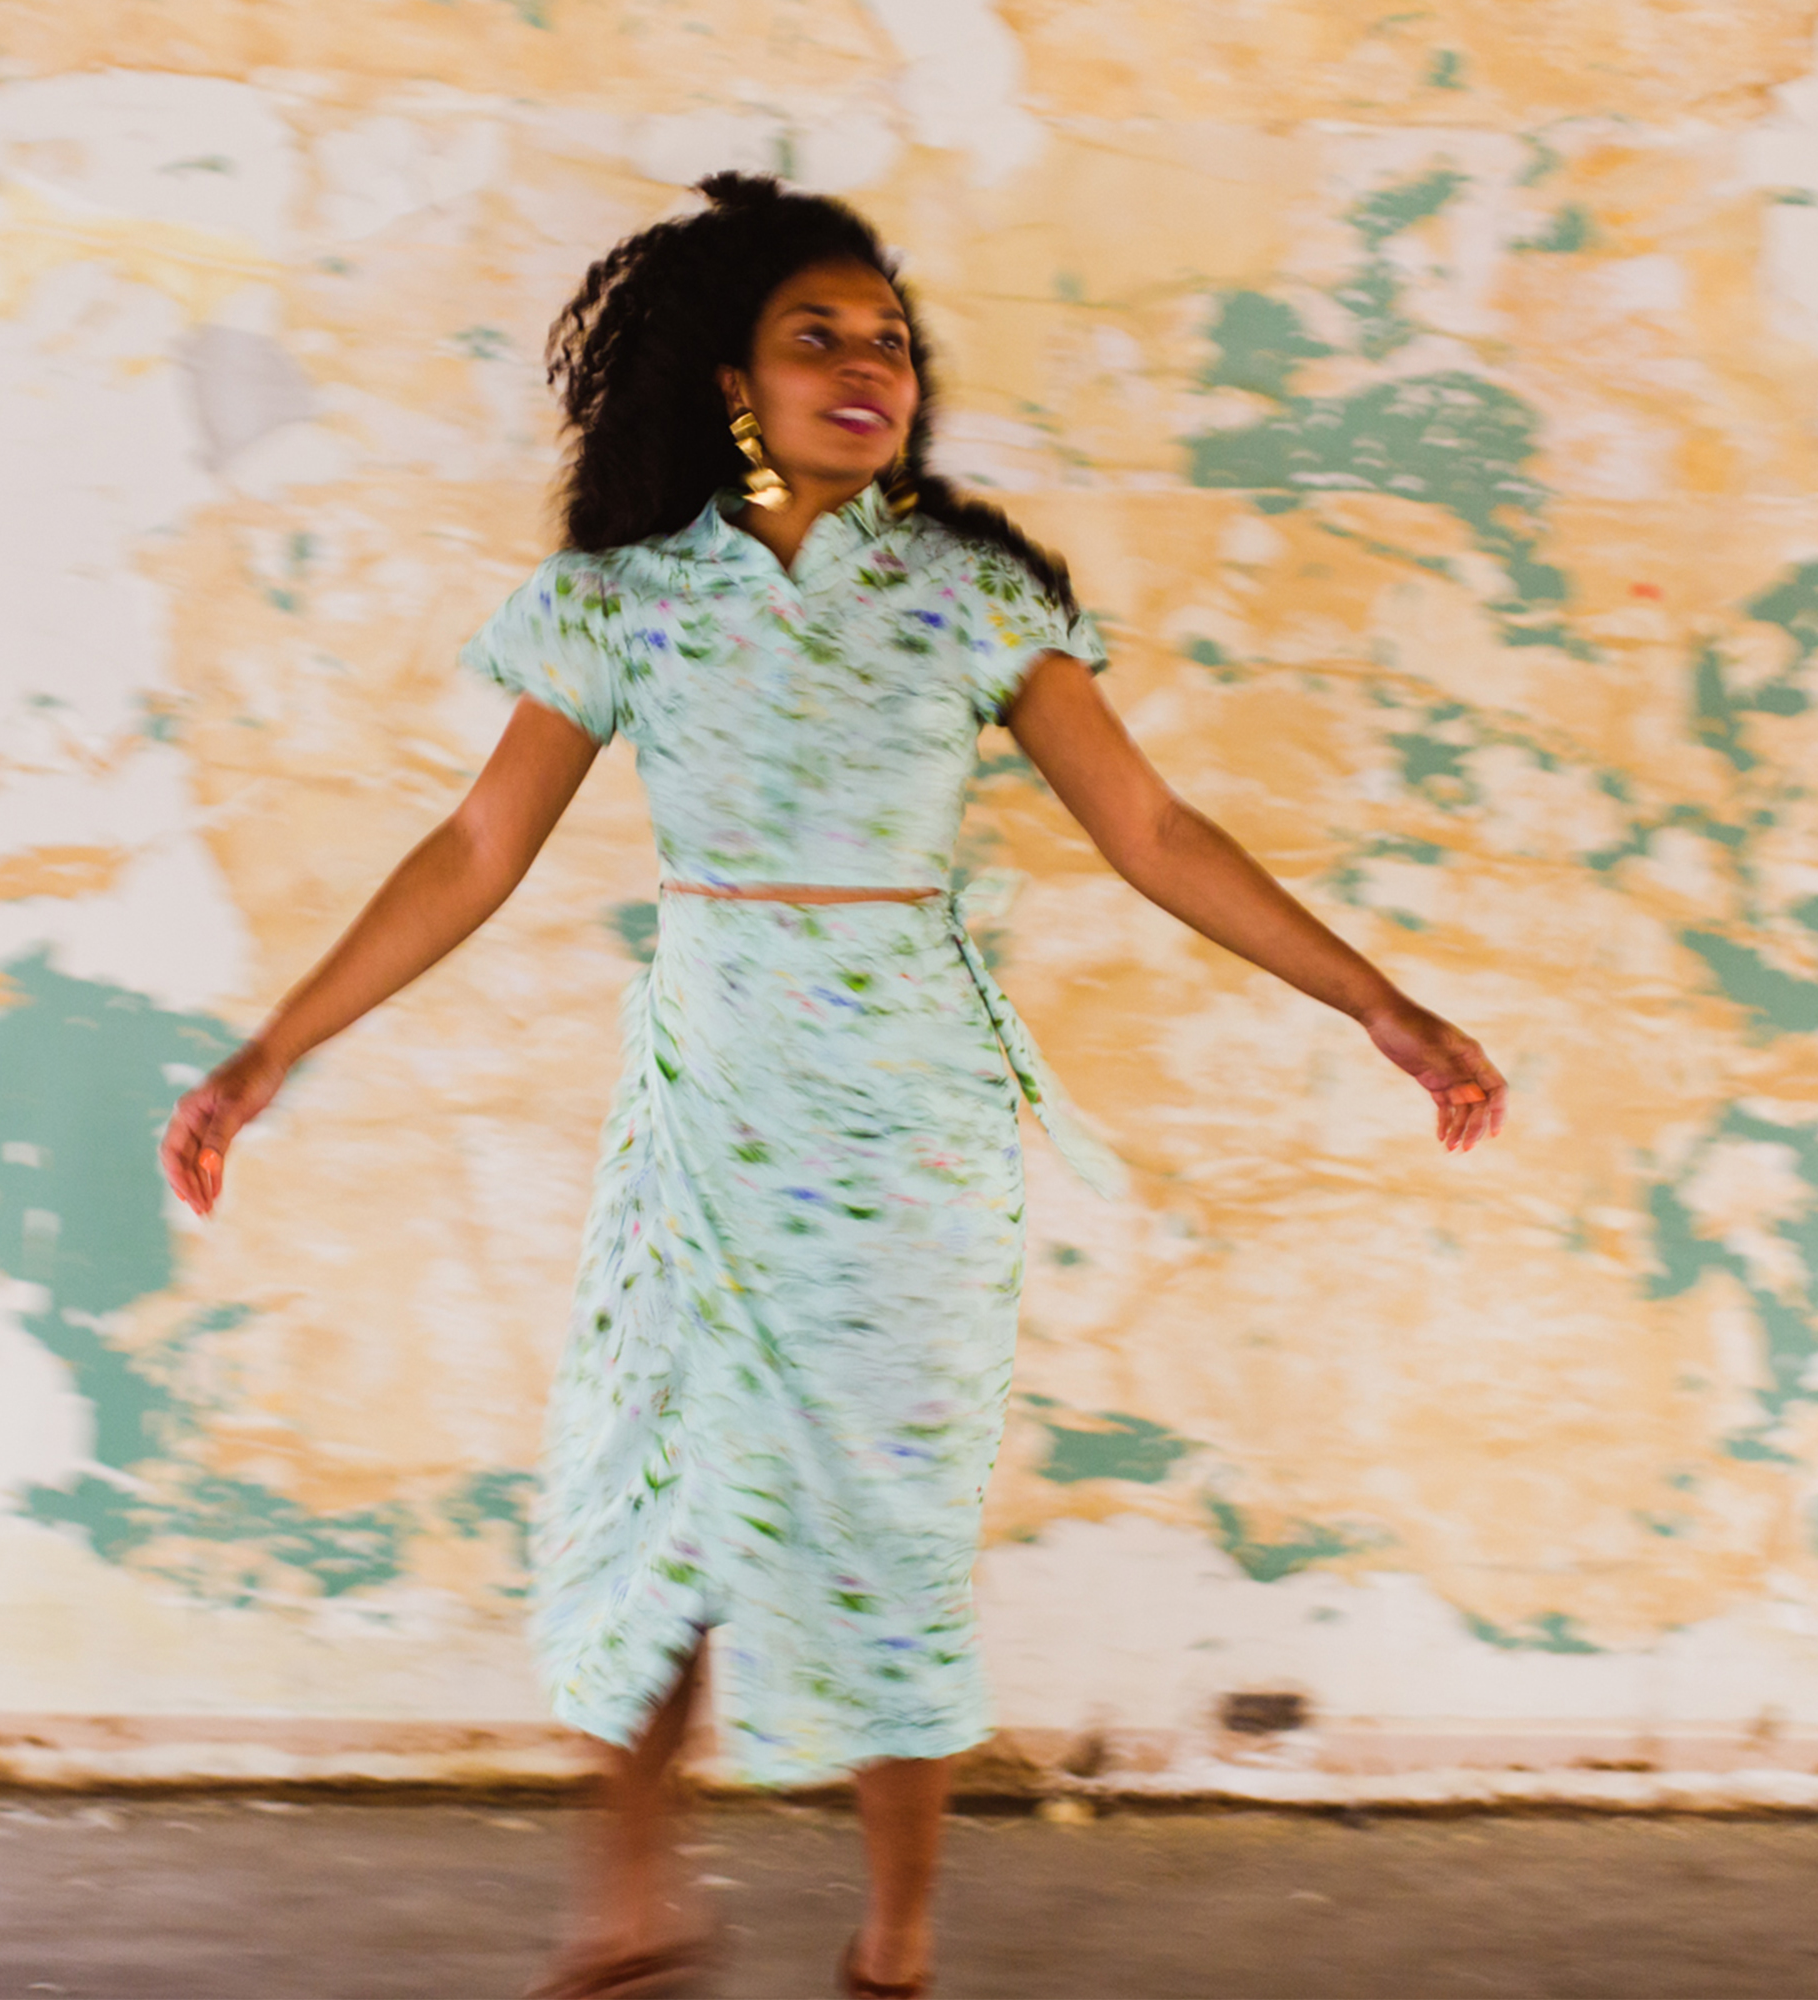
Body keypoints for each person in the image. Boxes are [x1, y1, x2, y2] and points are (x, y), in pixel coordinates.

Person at [160, 170, 1507, 2000]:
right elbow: (475, 849)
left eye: (891, 340)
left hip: (910, 1121)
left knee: (885, 1511)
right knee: (662, 1497)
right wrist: (269, 1053)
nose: (870, 366)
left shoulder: (975, 598)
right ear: (734, 379)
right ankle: (630, 1906)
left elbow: (1157, 829)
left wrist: (1383, 1006)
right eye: (822, 337)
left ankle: (897, 1940)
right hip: (704, 1110)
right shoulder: (623, 604)